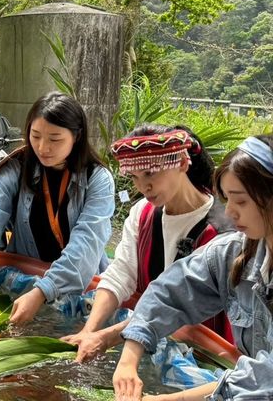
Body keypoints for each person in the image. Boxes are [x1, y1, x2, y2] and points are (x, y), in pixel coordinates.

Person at [113, 134, 273, 401]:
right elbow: (168, 293)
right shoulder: (234, 253)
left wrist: (166, 399)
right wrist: (128, 359)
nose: (230, 212)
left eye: (241, 201)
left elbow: (265, 378)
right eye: (227, 199)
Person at [63, 125, 233, 363]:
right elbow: (121, 274)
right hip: (145, 344)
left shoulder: (222, 233)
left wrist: (105, 337)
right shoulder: (142, 213)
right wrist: (88, 331)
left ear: (182, 163)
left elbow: (176, 307)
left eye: (151, 173)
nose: (143, 187)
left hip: (205, 357)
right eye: (135, 177)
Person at [0, 91, 115, 325]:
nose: (43, 147)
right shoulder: (16, 169)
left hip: (80, 290)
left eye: (55, 139)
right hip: (24, 282)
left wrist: (42, 291)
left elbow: (86, 245)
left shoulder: (97, 179)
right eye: (36, 135)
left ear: (77, 137)